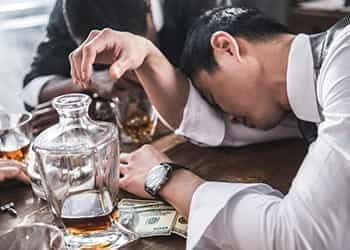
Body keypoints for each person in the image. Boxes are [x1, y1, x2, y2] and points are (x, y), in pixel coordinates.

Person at [69, 7, 350, 250]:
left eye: (214, 99)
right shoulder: (312, 92)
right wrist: (146, 54)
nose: (228, 117)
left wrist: (166, 178)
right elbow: (200, 120)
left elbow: (300, 239)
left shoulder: (344, 64)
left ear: (227, 47)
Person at [22, 0, 291, 136]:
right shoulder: (72, 7)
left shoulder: (205, 8)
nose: (122, 68)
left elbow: (234, 85)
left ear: (149, 11)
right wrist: (92, 81)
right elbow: (33, 85)